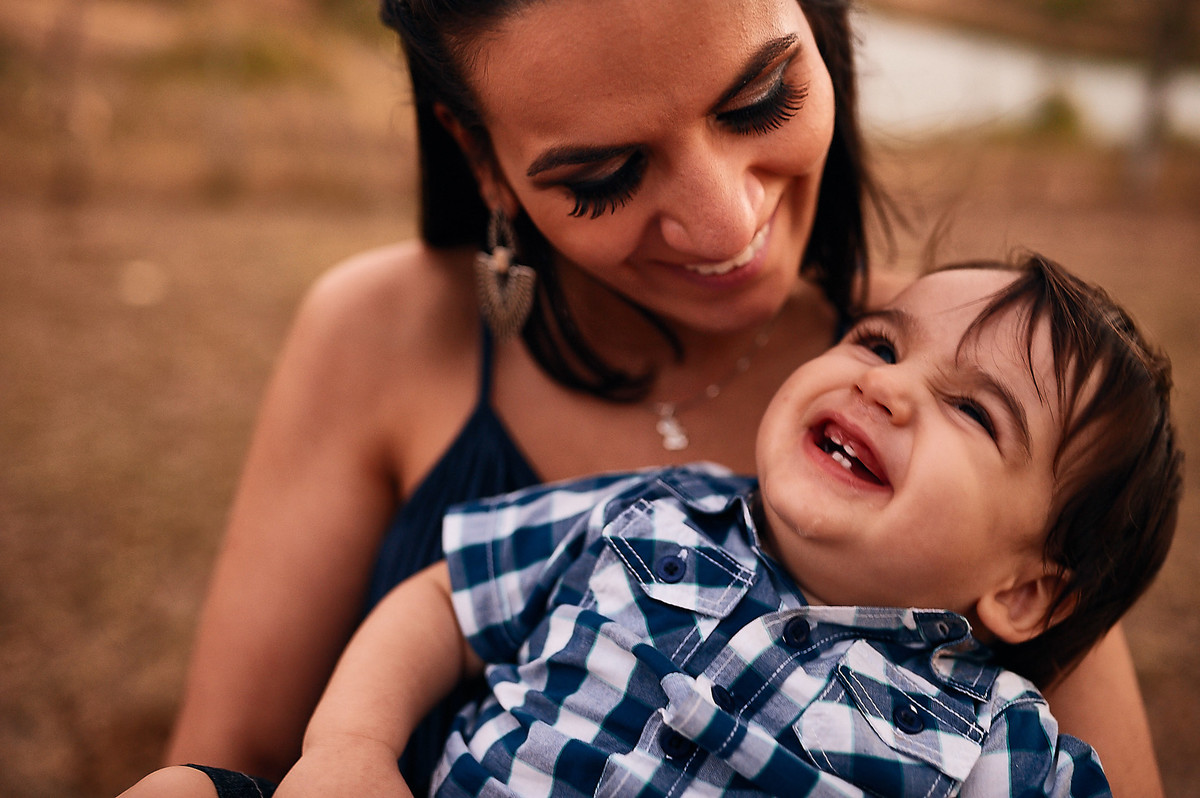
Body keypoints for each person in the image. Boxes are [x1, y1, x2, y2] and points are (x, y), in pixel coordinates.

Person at [160, 0, 1167, 794]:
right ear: (483, 162)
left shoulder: (1033, 420)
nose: (724, 221)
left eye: (760, 98)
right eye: (604, 173)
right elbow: (233, 753)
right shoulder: (378, 333)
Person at [123, 255, 1180, 797]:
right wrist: (352, 747)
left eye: (973, 412)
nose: (886, 387)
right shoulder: (648, 511)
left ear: (1025, 591)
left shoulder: (998, 746)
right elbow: (445, 597)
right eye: (877, 344)